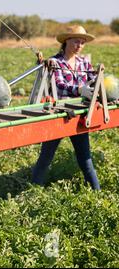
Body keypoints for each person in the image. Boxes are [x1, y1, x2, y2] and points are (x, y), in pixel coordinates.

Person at [32, 25, 100, 190]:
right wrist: (79, 90)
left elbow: (93, 80)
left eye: (82, 43)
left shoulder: (84, 62)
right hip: (59, 115)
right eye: (76, 41)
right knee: (46, 158)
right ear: (66, 41)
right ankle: (34, 191)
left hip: (78, 114)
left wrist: (99, 81)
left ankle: (97, 192)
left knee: (85, 159)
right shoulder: (55, 62)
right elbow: (60, 85)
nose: (79, 46)